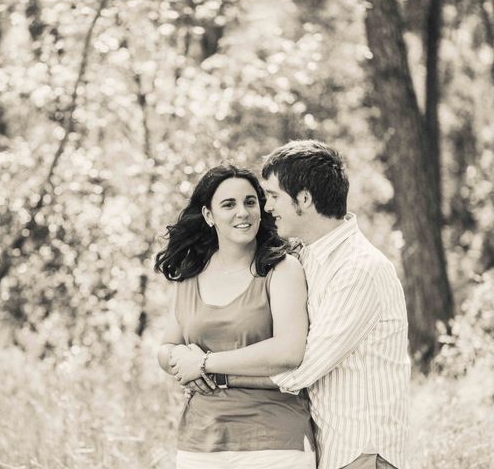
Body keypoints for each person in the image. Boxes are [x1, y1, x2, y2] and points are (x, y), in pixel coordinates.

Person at [170, 140, 410, 469]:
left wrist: (208, 369)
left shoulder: (359, 270)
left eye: (273, 196)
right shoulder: (307, 258)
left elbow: (300, 368)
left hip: (363, 452)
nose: (266, 208)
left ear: (304, 199)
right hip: (333, 448)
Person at [155, 164, 316, 469]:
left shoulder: (282, 269)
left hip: (274, 441)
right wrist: (178, 359)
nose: (242, 212)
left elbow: (289, 352)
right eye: (228, 204)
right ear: (208, 216)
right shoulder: (190, 274)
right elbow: (166, 348)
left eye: (250, 202)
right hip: (200, 443)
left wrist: (202, 364)